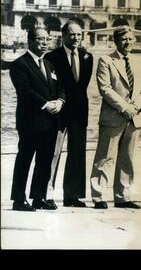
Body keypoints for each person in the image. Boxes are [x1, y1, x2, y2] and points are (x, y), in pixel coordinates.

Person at [90, 26, 141, 209]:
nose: (128, 42)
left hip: (134, 118)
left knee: (127, 158)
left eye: (131, 39)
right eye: (124, 39)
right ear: (116, 41)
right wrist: (125, 108)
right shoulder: (106, 60)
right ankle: (99, 196)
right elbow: (105, 88)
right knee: (105, 157)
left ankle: (122, 196)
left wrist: (136, 107)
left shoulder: (140, 61)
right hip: (113, 117)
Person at [9, 27, 65, 211]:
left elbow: (60, 87)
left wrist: (60, 101)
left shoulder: (49, 64)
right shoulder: (19, 64)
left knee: (45, 160)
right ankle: (18, 199)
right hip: (30, 121)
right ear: (30, 41)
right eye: (40, 39)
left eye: (47, 39)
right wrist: (46, 104)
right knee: (25, 159)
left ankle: (38, 197)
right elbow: (25, 92)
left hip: (50, 122)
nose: (45, 43)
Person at [45, 20, 93, 208]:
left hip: (80, 112)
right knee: (53, 153)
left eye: (79, 35)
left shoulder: (87, 57)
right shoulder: (52, 57)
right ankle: (46, 193)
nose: (76, 38)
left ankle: (72, 196)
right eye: (72, 34)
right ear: (63, 35)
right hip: (59, 112)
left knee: (77, 153)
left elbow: (82, 86)